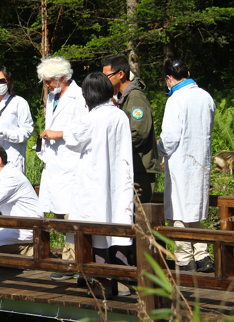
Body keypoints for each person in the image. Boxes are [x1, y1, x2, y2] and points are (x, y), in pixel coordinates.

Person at [49, 72, 134, 298]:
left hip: (95, 180)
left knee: (95, 226)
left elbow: (74, 141)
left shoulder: (92, 117)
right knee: (117, 223)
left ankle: (100, 282)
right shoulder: (119, 115)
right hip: (118, 181)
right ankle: (122, 280)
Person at [157, 60, 215, 273]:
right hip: (200, 160)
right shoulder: (206, 96)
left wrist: (159, 151)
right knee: (195, 209)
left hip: (180, 162)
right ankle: (202, 256)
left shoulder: (176, 99)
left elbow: (170, 138)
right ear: (188, 73)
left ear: (169, 78)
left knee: (179, 210)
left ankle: (184, 259)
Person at [36, 56, 87, 279]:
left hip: (71, 162)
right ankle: (70, 259)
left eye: (48, 82)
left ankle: (74, 261)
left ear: (62, 78)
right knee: (59, 213)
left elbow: (86, 129)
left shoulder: (80, 96)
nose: (46, 86)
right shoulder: (53, 98)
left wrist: (60, 133)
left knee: (71, 213)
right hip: (55, 163)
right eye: (45, 82)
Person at [102, 56, 161, 203]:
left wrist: (116, 149)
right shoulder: (124, 98)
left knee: (140, 216)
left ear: (121, 74)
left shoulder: (135, 97)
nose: (104, 81)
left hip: (140, 168)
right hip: (132, 165)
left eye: (106, 76)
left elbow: (139, 133)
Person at [0, 143, 42, 255]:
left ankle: (31, 252)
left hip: (29, 225)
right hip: (15, 222)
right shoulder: (3, 174)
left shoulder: (11, 177)